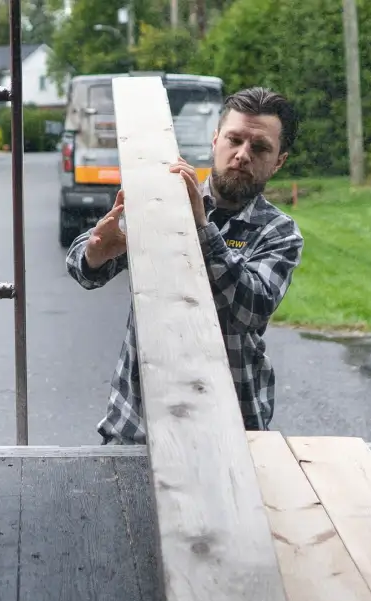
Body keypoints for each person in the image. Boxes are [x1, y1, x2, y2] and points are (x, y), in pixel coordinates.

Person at [66, 86, 303, 445]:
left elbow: (249, 310)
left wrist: (201, 228)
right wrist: (96, 254)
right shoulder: (163, 198)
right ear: (215, 139)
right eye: (234, 140)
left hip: (234, 427)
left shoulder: (279, 232)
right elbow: (82, 266)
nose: (242, 155)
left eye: (259, 148)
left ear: (279, 161)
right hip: (137, 424)